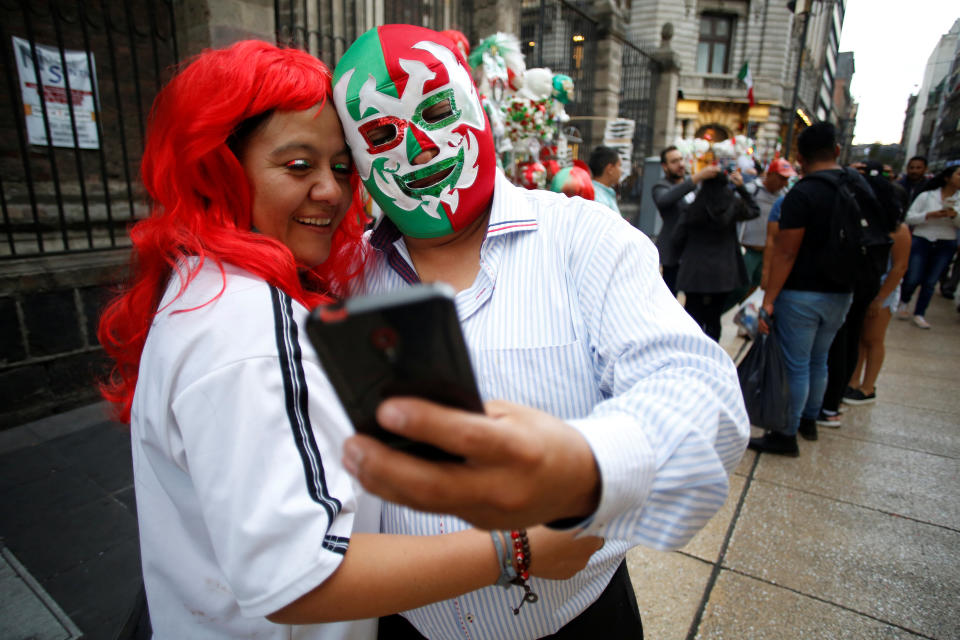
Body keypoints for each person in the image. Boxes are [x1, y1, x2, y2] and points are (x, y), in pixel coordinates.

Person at [96, 41, 598, 639]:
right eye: (297, 165)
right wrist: (514, 549)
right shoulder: (254, 327)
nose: (332, 193)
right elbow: (297, 575)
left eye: (340, 166)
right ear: (219, 171)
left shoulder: (203, 285)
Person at [332, 25, 749, 640]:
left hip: (575, 620)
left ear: (476, 102)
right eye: (383, 133)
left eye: (437, 109)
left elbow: (698, 391)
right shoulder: (343, 281)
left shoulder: (586, 240)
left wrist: (585, 467)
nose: (419, 148)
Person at [750, 122, 878, 456]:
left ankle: (785, 434)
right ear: (837, 150)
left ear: (800, 157)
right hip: (843, 291)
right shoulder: (858, 186)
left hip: (802, 293)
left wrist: (769, 301)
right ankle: (810, 420)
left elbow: (787, 252)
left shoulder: (803, 194)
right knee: (820, 359)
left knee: (796, 363)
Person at [675, 168, 760, 341]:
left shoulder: (694, 207)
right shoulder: (734, 205)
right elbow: (754, 210)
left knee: (692, 315)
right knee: (714, 317)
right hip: (723, 271)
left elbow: (677, 237)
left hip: (695, 270)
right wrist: (742, 188)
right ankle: (712, 357)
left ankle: (691, 352)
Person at [842, 221, 911, 405]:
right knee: (860, 337)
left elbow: (900, 267)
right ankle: (853, 381)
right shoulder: (872, 220)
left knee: (873, 338)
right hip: (865, 288)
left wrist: (880, 298)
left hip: (883, 291)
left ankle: (868, 387)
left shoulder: (899, 229)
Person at [725, 158, 796, 312]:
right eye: (781, 178)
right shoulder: (752, 189)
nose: (784, 182)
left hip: (767, 251)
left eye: (786, 179)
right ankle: (719, 312)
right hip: (747, 248)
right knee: (740, 287)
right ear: (770, 174)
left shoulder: (785, 196)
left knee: (756, 286)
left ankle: (744, 319)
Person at [896, 164, 960, 329]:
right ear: (948, 177)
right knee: (913, 277)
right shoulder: (927, 196)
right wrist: (929, 215)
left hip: (946, 241)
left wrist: (954, 216)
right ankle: (904, 301)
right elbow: (909, 217)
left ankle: (920, 313)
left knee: (931, 281)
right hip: (922, 239)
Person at [653, 146, 723, 295]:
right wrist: (696, 178)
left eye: (681, 159)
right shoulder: (661, 186)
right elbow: (665, 200)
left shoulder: (694, 187)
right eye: (674, 161)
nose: (680, 164)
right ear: (664, 166)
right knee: (669, 297)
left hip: (693, 253)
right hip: (673, 254)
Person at [588, 145, 622, 215]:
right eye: (619, 166)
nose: (621, 171)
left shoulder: (602, 194)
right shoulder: (597, 199)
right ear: (610, 169)